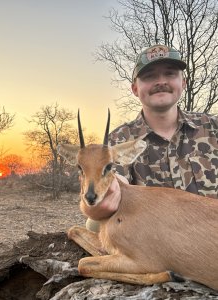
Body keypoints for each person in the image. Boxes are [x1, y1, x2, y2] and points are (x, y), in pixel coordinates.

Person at [86, 44, 218, 232]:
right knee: (94, 226)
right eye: (149, 76)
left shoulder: (212, 127)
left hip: (212, 233)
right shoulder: (119, 139)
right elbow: (116, 179)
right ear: (134, 89)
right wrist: (110, 192)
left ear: (184, 82)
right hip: (155, 240)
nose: (160, 81)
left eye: (170, 74)